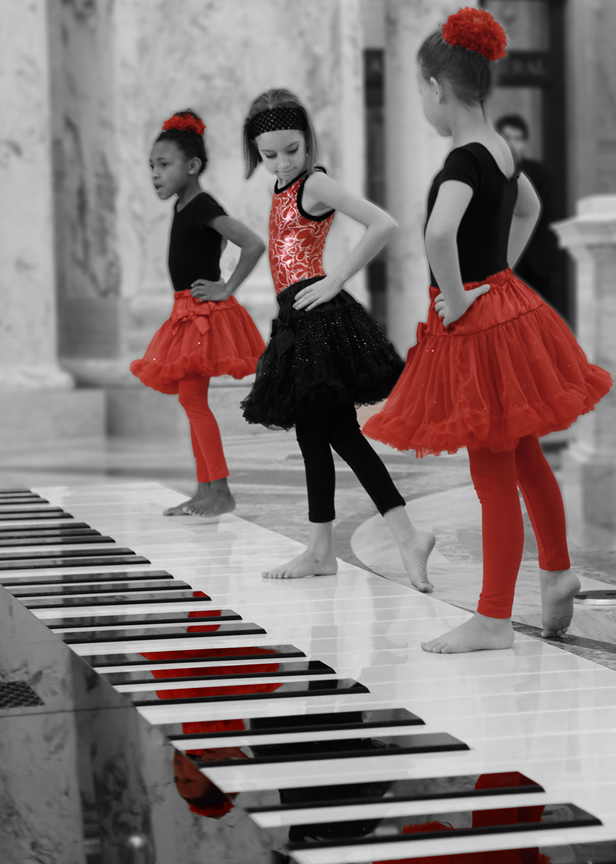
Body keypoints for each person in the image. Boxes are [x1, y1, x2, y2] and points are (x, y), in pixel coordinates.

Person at [363, 8, 613, 653]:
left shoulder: (458, 163)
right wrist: (497, 272)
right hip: (505, 305)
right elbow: (527, 204)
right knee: (524, 453)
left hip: (477, 325)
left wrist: (457, 298)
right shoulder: (500, 150)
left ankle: (494, 618)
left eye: (420, 90)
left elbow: (439, 233)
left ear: (437, 89)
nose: (423, 101)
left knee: (492, 470)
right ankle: (556, 573)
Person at [240, 89, 435, 584]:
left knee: (326, 434)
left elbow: (382, 223)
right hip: (298, 316)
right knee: (331, 434)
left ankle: (349, 546)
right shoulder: (281, 188)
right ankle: (353, 544)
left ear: (309, 143)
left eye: (292, 150)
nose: (282, 162)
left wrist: (334, 279)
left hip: (319, 318)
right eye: (269, 155)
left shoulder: (316, 185)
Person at [130, 110, 266, 517]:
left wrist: (225, 286)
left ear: (192, 166)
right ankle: (207, 489)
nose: (155, 174)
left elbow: (252, 243)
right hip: (187, 311)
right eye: (151, 166)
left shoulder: (202, 204)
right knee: (192, 399)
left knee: (193, 402)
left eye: (163, 165)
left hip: (202, 316)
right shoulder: (184, 205)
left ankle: (218, 490)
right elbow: (214, 245)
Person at [496, 113, 559, 307]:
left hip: (537, 262)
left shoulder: (539, 173)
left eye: (518, 138)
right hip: (504, 262)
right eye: (508, 138)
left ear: (525, 144)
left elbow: (545, 213)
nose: (513, 144)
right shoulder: (491, 172)